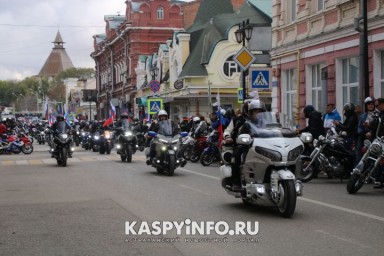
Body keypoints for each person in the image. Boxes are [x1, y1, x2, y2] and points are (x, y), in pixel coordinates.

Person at [355, 97, 377, 164]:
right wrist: (362, 131)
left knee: (372, 156)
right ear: (366, 106)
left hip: (373, 138)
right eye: (368, 104)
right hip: (363, 138)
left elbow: (378, 127)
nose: (370, 106)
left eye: (371, 104)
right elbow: (359, 127)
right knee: (359, 155)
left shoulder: (377, 115)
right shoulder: (363, 116)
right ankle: (357, 170)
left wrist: (370, 128)